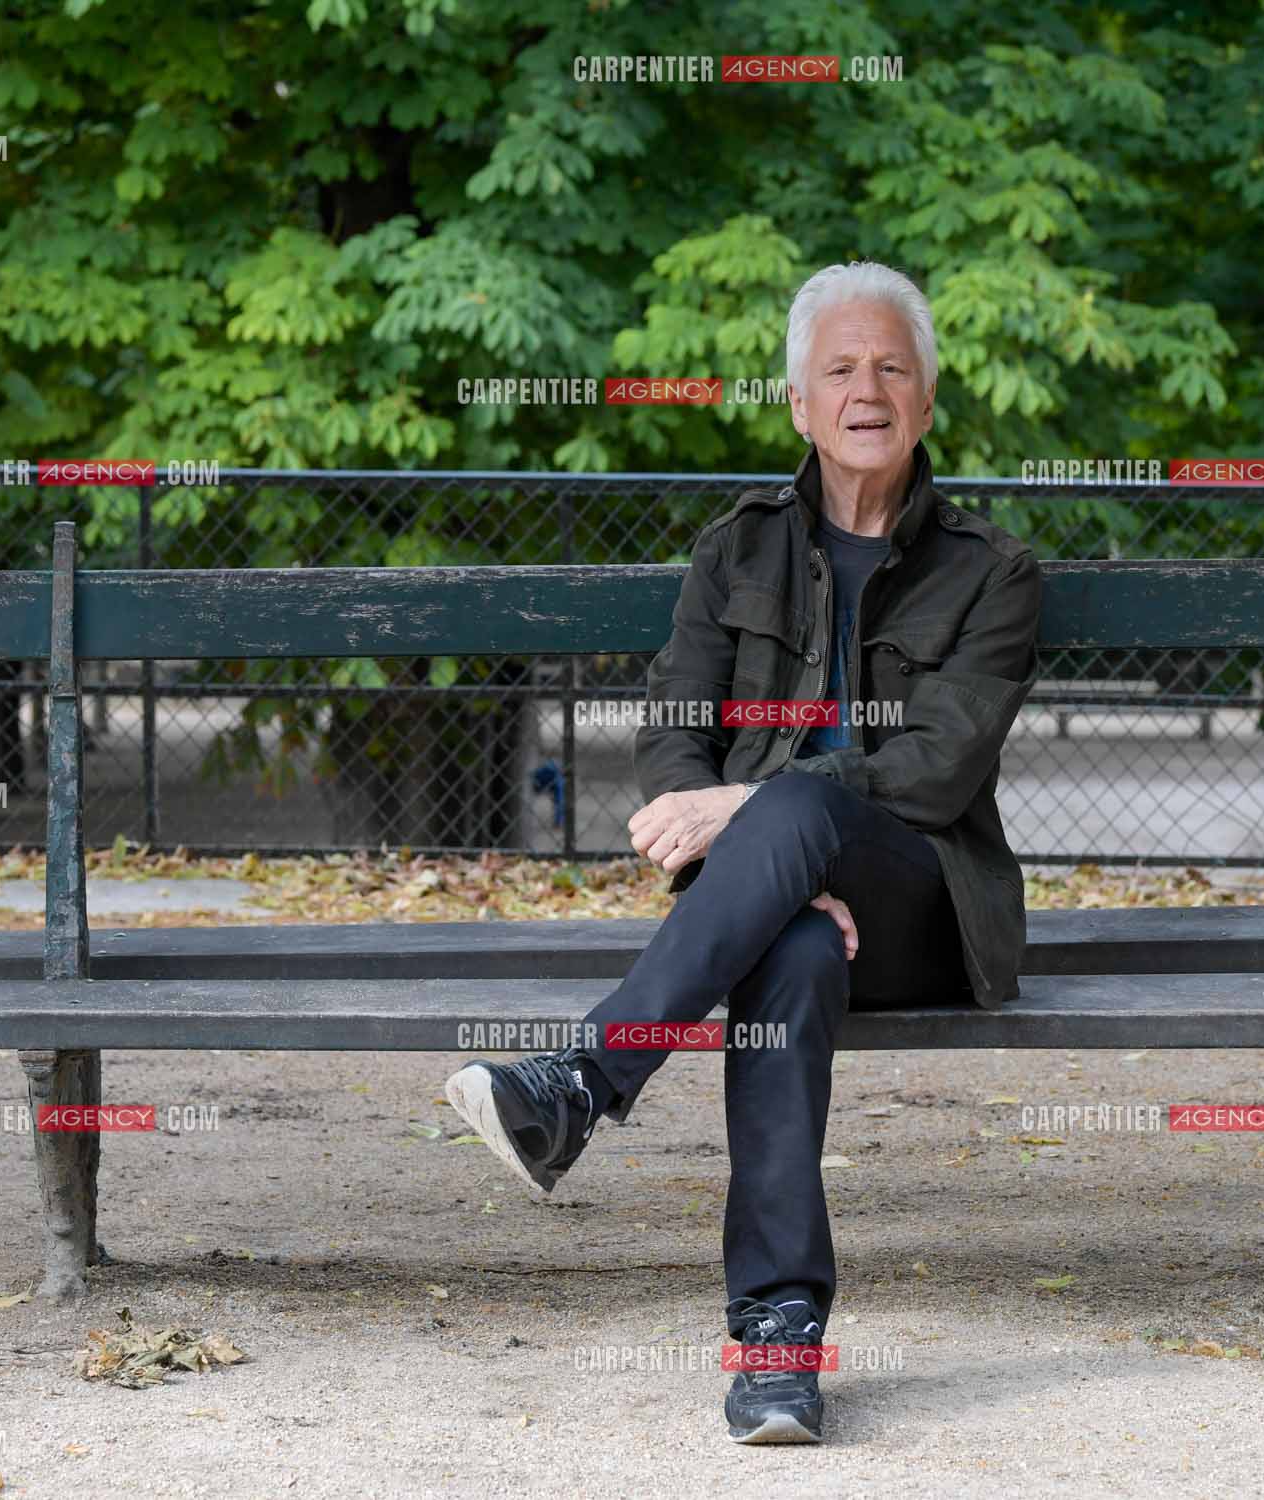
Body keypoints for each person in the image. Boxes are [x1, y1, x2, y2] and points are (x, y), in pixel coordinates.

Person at [445, 260, 1043, 1443]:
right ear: (798, 404)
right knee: (790, 964)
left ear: (926, 402)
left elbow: (935, 770)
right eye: (838, 368)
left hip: (925, 907)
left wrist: (756, 815)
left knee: (793, 812)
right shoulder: (736, 553)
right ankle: (778, 1344)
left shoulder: (993, 572)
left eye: (890, 368)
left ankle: (581, 1079)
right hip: (785, 916)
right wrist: (761, 862)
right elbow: (675, 744)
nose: (864, 388)